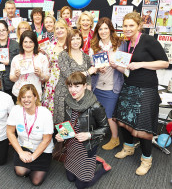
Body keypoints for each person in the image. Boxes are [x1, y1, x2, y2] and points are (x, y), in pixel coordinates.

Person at [114, 12, 169, 176]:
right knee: (123, 119)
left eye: (131, 25)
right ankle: (128, 148)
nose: (128, 28)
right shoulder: (127, 43)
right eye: (125, 25)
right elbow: (126, 67)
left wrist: (140, 64)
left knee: (144, 126)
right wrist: (114, 64)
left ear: (139, 26)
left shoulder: (148, 40)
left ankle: (146, 160)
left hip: (146, 89)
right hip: (129, 86)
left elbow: (164, 62)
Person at [55, 72, 110, 189]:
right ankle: (94, 160)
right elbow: (67, 122)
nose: (72, 90)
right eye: (70, 86)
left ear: (85, 85)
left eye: (77, 86)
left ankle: (103, 168)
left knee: (80, 185)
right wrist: (62, 135)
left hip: (87, 146)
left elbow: (106, 128)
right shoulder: (68, 101)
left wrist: (89, 134)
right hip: (71, 143)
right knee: (70, 178)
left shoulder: (95, 106)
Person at [89, 17, 126, 150]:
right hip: (97, 86)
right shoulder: (94, 45)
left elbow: (125, 66)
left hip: (112, 86)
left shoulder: (119, 44)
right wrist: (97, 68)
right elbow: (92, 65)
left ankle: (115, 138)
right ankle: (100, 134)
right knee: (98, 113)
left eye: (106, 28)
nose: (103, 31)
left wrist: (116, 65)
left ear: (110, 29)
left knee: (109, 115)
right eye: (100, 29)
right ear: (97, 31)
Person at [7, 84, 54, 186]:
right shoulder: (16, 110)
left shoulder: (45, 113)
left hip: (42, 149)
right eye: (23, 97)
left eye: (29, 97)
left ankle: (37, 164)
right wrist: (20, 152)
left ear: (35, 97)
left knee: (36, 181)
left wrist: (32, 157)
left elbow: (47, 139)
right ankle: (28, 165)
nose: (26, 100)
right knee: (20, 172)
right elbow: (10, 132)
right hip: (24, 146)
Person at [53, 29, 96, 124]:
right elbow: (69, 76)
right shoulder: (63, 55)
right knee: (63, 122)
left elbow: (88, 79)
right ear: (68, 40)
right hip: (64, 94)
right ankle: (61, 139)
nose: (76, 41)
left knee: (78, 123)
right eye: (73, 39)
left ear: (81, 40)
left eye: (78, 38)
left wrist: (88, 95)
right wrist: (87, 72)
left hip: (80, 95)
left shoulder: (86, 57)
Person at [10, 30, 50, 100]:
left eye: (31, 42)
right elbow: (12, 78)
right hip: (18, 94)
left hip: (35, 94)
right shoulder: (16, 58)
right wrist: (16, 76)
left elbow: (46, 77)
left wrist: (40, 75)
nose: (28, 44)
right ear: (21, 43)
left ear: (35, 43)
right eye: (25, 42)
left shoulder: (42, 58)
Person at [42, 18, 69, 115]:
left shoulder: (72, 44)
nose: (59, 30)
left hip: (67, 82)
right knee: (50, 111)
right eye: (57, 28)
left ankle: (64, 130)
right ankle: (51, 129)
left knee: (64, 111)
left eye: (62, 28)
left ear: (67, 29)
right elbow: (47, 64)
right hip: (52, 82)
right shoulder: (50, 46)